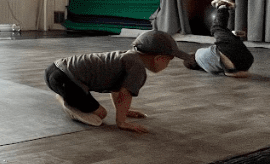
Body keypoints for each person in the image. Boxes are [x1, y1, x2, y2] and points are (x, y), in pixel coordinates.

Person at [44, 30, 191, 133]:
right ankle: (67, 102)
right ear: (159, 58)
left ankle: (68, 96)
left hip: (55, 70)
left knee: (96, 109)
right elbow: (124, 94)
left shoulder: (129, 58)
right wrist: (121, 122)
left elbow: (117, 90)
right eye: (168, 61)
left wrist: (124, 111)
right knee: (100, 115)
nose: (167, 65)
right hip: (65, 79)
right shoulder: (137, 68)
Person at [183, 0, 254, 77]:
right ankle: (222, 6)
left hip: (247, 61)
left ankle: (233, 35)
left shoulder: (208, 69)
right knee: (216, 28)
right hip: (228, 51)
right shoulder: (198, 55)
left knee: (227, 46)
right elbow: (215, 48)